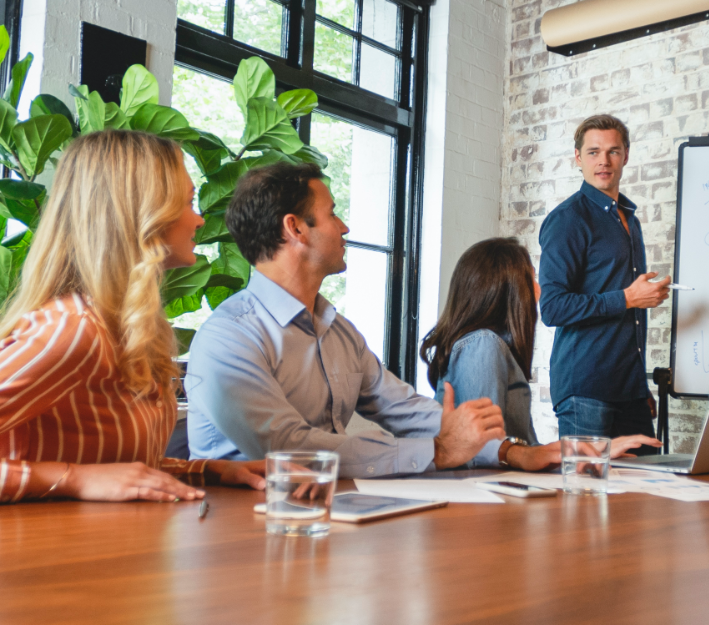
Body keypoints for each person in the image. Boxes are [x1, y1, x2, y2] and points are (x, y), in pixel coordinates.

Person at [0, 130, 265, 506]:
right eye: (188, 202)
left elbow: (106, 468)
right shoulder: (73, 330)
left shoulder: (122, 326)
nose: (198, 220)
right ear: (140, 212)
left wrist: (207, 470)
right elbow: (82, 474)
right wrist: (70, 479)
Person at [186, 162, 558, 476]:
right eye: (332, 213)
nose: (344, 227)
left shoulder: (340, 332)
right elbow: (287, 446)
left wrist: (511, 451)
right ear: (295, 228)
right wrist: (438, 450)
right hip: (239, 523)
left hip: (331, 508)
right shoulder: (229, 336)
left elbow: (405, 409)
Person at [419, 237, 660, 460]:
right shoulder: (483, 344)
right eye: (532, 278)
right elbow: (483, 450)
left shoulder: (492, 346)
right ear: (507, 288)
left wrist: (587, 454)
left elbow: (517, 452)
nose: (539, 288)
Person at [539, 115, 668, 447]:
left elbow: (630, 322)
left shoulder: (630, 219)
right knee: (586, 495)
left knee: (645, 494)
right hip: (585, 390)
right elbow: (552, 308)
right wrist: (627, 297)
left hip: (630, 391)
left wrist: (640, 387)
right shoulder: (567, 220)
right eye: (593, 152)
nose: (604, 161)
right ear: (578, 158)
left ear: (626, 156)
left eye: (613, 151)